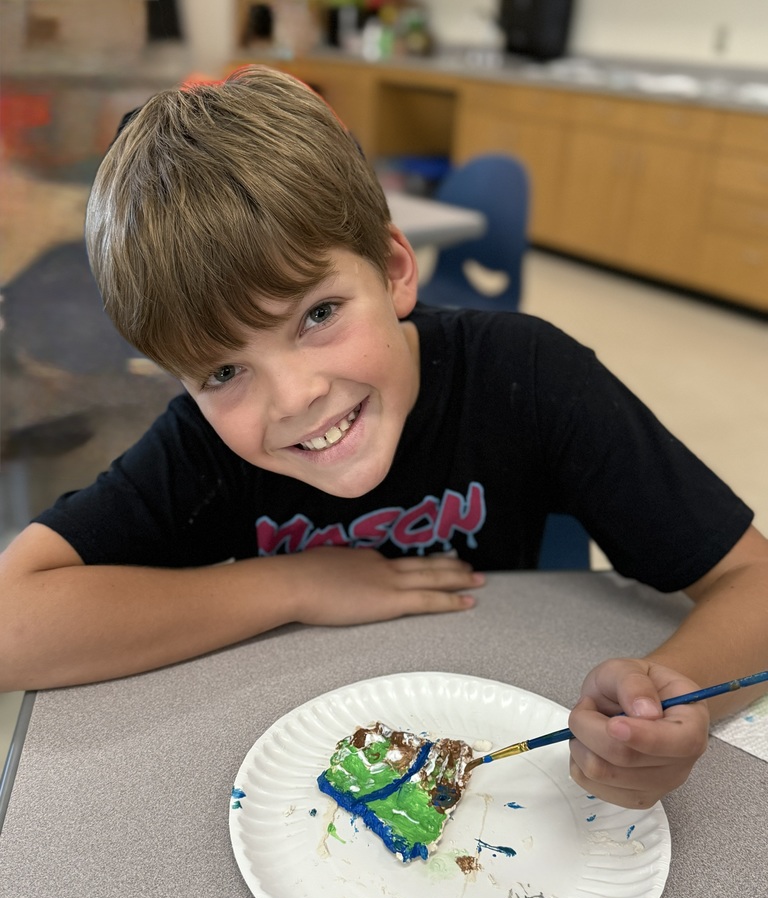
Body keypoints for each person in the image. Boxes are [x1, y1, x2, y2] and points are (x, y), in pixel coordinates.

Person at [1, 66, 767, 811]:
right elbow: (12, 625)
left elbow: (753, 580)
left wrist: (666, 697)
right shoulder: (203, 448)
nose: (294, 398)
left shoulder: (526, 375)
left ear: (395, 269)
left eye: (318, 314)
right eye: (223, 371)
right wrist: (292, 585)